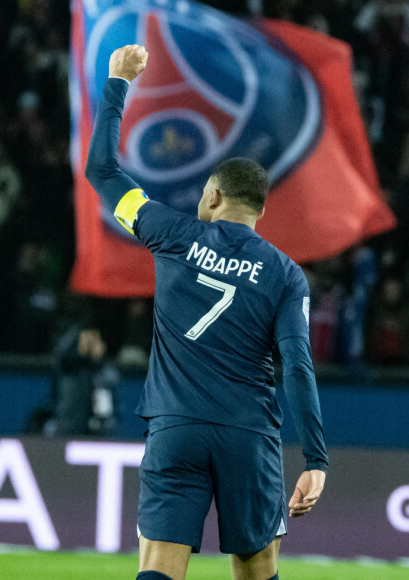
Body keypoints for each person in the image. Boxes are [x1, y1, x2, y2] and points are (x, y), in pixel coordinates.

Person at [85, 45, 328, 580]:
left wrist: (118, 82)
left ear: (213, 195)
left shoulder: (171, 233)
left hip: (176, 429)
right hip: (248, 435)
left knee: (160, 567)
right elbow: (299, 367)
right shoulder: (286, 275)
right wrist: (315, 459)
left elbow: (101, 170)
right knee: (256, 568)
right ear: (259, 210)